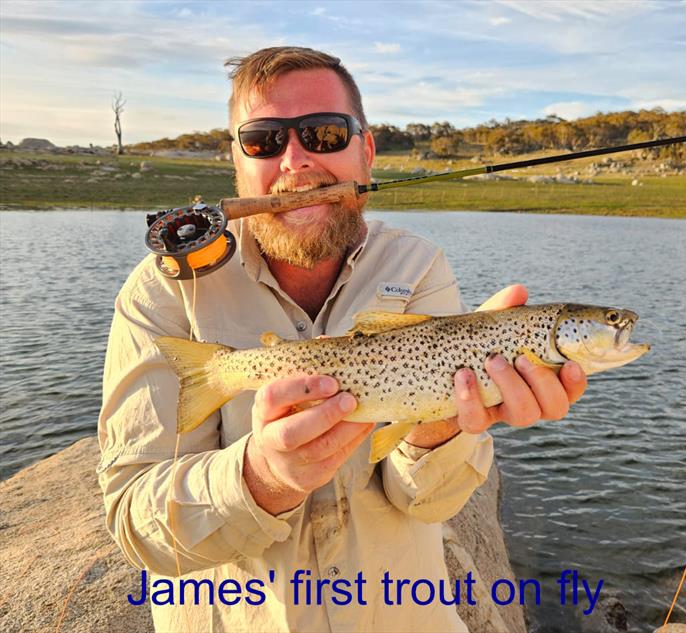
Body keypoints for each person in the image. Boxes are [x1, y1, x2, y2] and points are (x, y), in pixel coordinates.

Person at [98, 46, 587, 632]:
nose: (297, 163)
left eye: (324, 134)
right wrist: (261, 478)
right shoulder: (166, 292)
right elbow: (133, 523)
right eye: (264, 141)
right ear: (237, 161)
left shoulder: (420, 264)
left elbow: (430, 503)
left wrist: (440, 425)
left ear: (367, 150)